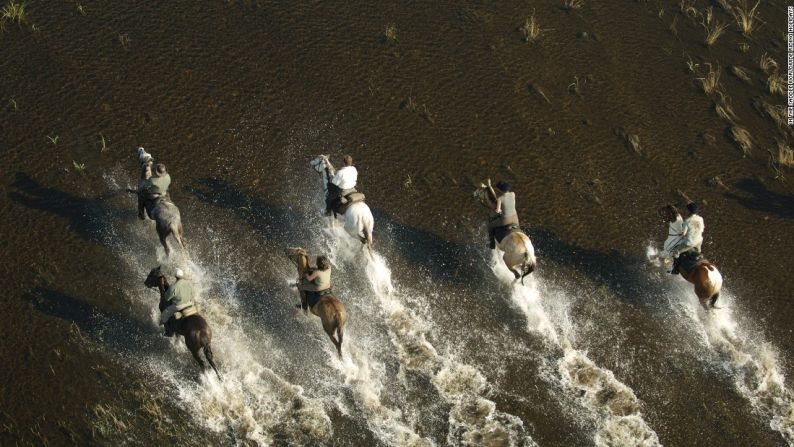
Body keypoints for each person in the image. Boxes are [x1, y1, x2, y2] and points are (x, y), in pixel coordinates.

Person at [670, 202, 705, 274]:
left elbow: (683, 234)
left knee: (676, 252)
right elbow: (702, 229)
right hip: (699, 241)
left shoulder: (687, 221)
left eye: (687, 210)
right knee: (698, 253)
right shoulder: (701, 219)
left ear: (689, 211)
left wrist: (679, 233)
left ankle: (675, 269)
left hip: (690, 243)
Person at [160, 268, 195, 336]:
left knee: (164, 314)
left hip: (179, 306)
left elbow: (166, 298)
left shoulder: (174, 287)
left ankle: (168, 333)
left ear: (175, 276)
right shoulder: (189, 283)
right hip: (190, 303)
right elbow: (192, 294)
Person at [486, 179, 520, 249]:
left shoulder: (500, 199)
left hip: (505, 220)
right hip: (515, 219)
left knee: (490, 226)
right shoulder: (513, 194)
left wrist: (499, 210)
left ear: (500, 190)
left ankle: (492, 244)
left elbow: (497, 211)